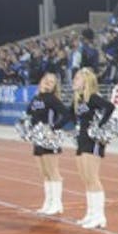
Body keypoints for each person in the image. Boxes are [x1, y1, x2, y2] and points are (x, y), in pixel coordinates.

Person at [71, 67, 115, 229]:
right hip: (81, 140)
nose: (74, 81)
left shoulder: (93, 98)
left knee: (93, 178)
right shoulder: (79, 99)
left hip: (93, 141)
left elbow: (110, 107)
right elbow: (67, 114)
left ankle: (100, 216)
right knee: (86, 179)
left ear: (86, 81)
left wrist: (100, 125)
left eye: (77, 78)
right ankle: (90, 213)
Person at [26, 72, 70, 215]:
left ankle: (57, 203)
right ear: (40, 81)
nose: (48, 83)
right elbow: (28, 114)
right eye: (46, 80)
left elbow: (67, 114)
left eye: (51, 82)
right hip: (38, 138)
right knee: (44, 173)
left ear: (54, 86)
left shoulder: (52, 99)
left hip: (50, 138)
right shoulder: (35, 99)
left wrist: (54, 128)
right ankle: (48, 202)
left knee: (53, 172)